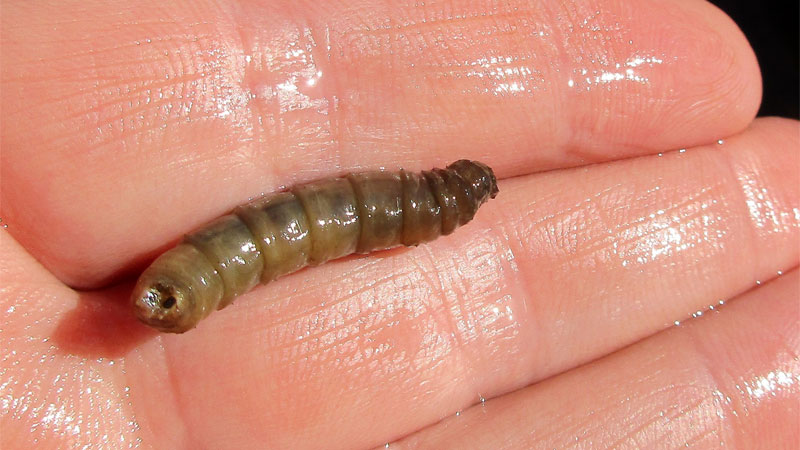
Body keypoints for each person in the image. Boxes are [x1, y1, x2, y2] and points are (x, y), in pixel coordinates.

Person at [1, 0, 797, 448]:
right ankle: (186, 289)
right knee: (283, 235)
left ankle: (188, 288)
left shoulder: (405, 206)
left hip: (221, 265)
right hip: (209, 268)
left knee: (290, 233)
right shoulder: (408, 210)